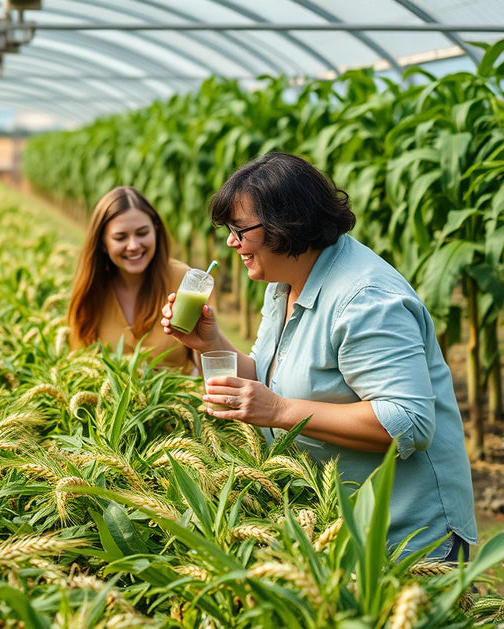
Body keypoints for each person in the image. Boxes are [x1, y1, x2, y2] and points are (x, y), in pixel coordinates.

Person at [161, 152, 476, 560]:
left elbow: (409, 423)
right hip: (342, 524)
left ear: (285, 226)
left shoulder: (365, 299)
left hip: (406, 538)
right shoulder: (287, 279)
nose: (230, 241)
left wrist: (279, 411)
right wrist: (210, 342)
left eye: (240, 229)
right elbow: (267, 373)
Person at [68, 186, 194, 371]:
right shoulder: (92, 289)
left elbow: (208, 360)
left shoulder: (183, 280)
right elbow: (79, 362)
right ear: (103, 242)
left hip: (179, 398)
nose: (134, 245)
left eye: (142, 233)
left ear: (156, 231)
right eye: (120, 238)